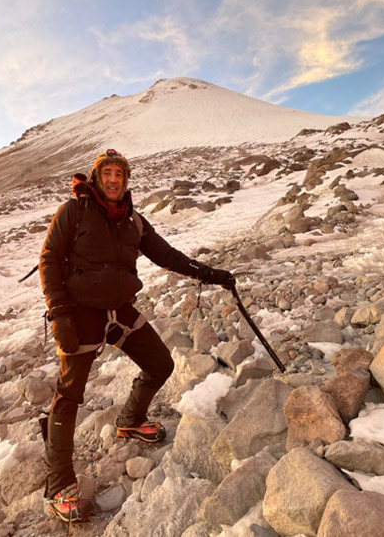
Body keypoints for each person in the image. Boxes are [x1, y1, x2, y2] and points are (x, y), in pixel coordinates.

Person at [38, 148, 235, 523]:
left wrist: (212, 274)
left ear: (125, 181)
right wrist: (60, 315)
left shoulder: (132, 220)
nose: (114, 179)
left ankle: (130, 419)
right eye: (107, 173)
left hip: (120, 312)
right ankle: (58, 485)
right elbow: (48, 258)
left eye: (120, 174)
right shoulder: (74, 211)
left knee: (160, 363)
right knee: (69, 395)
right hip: (80, 313)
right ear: (97, 178)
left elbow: (168, 256)